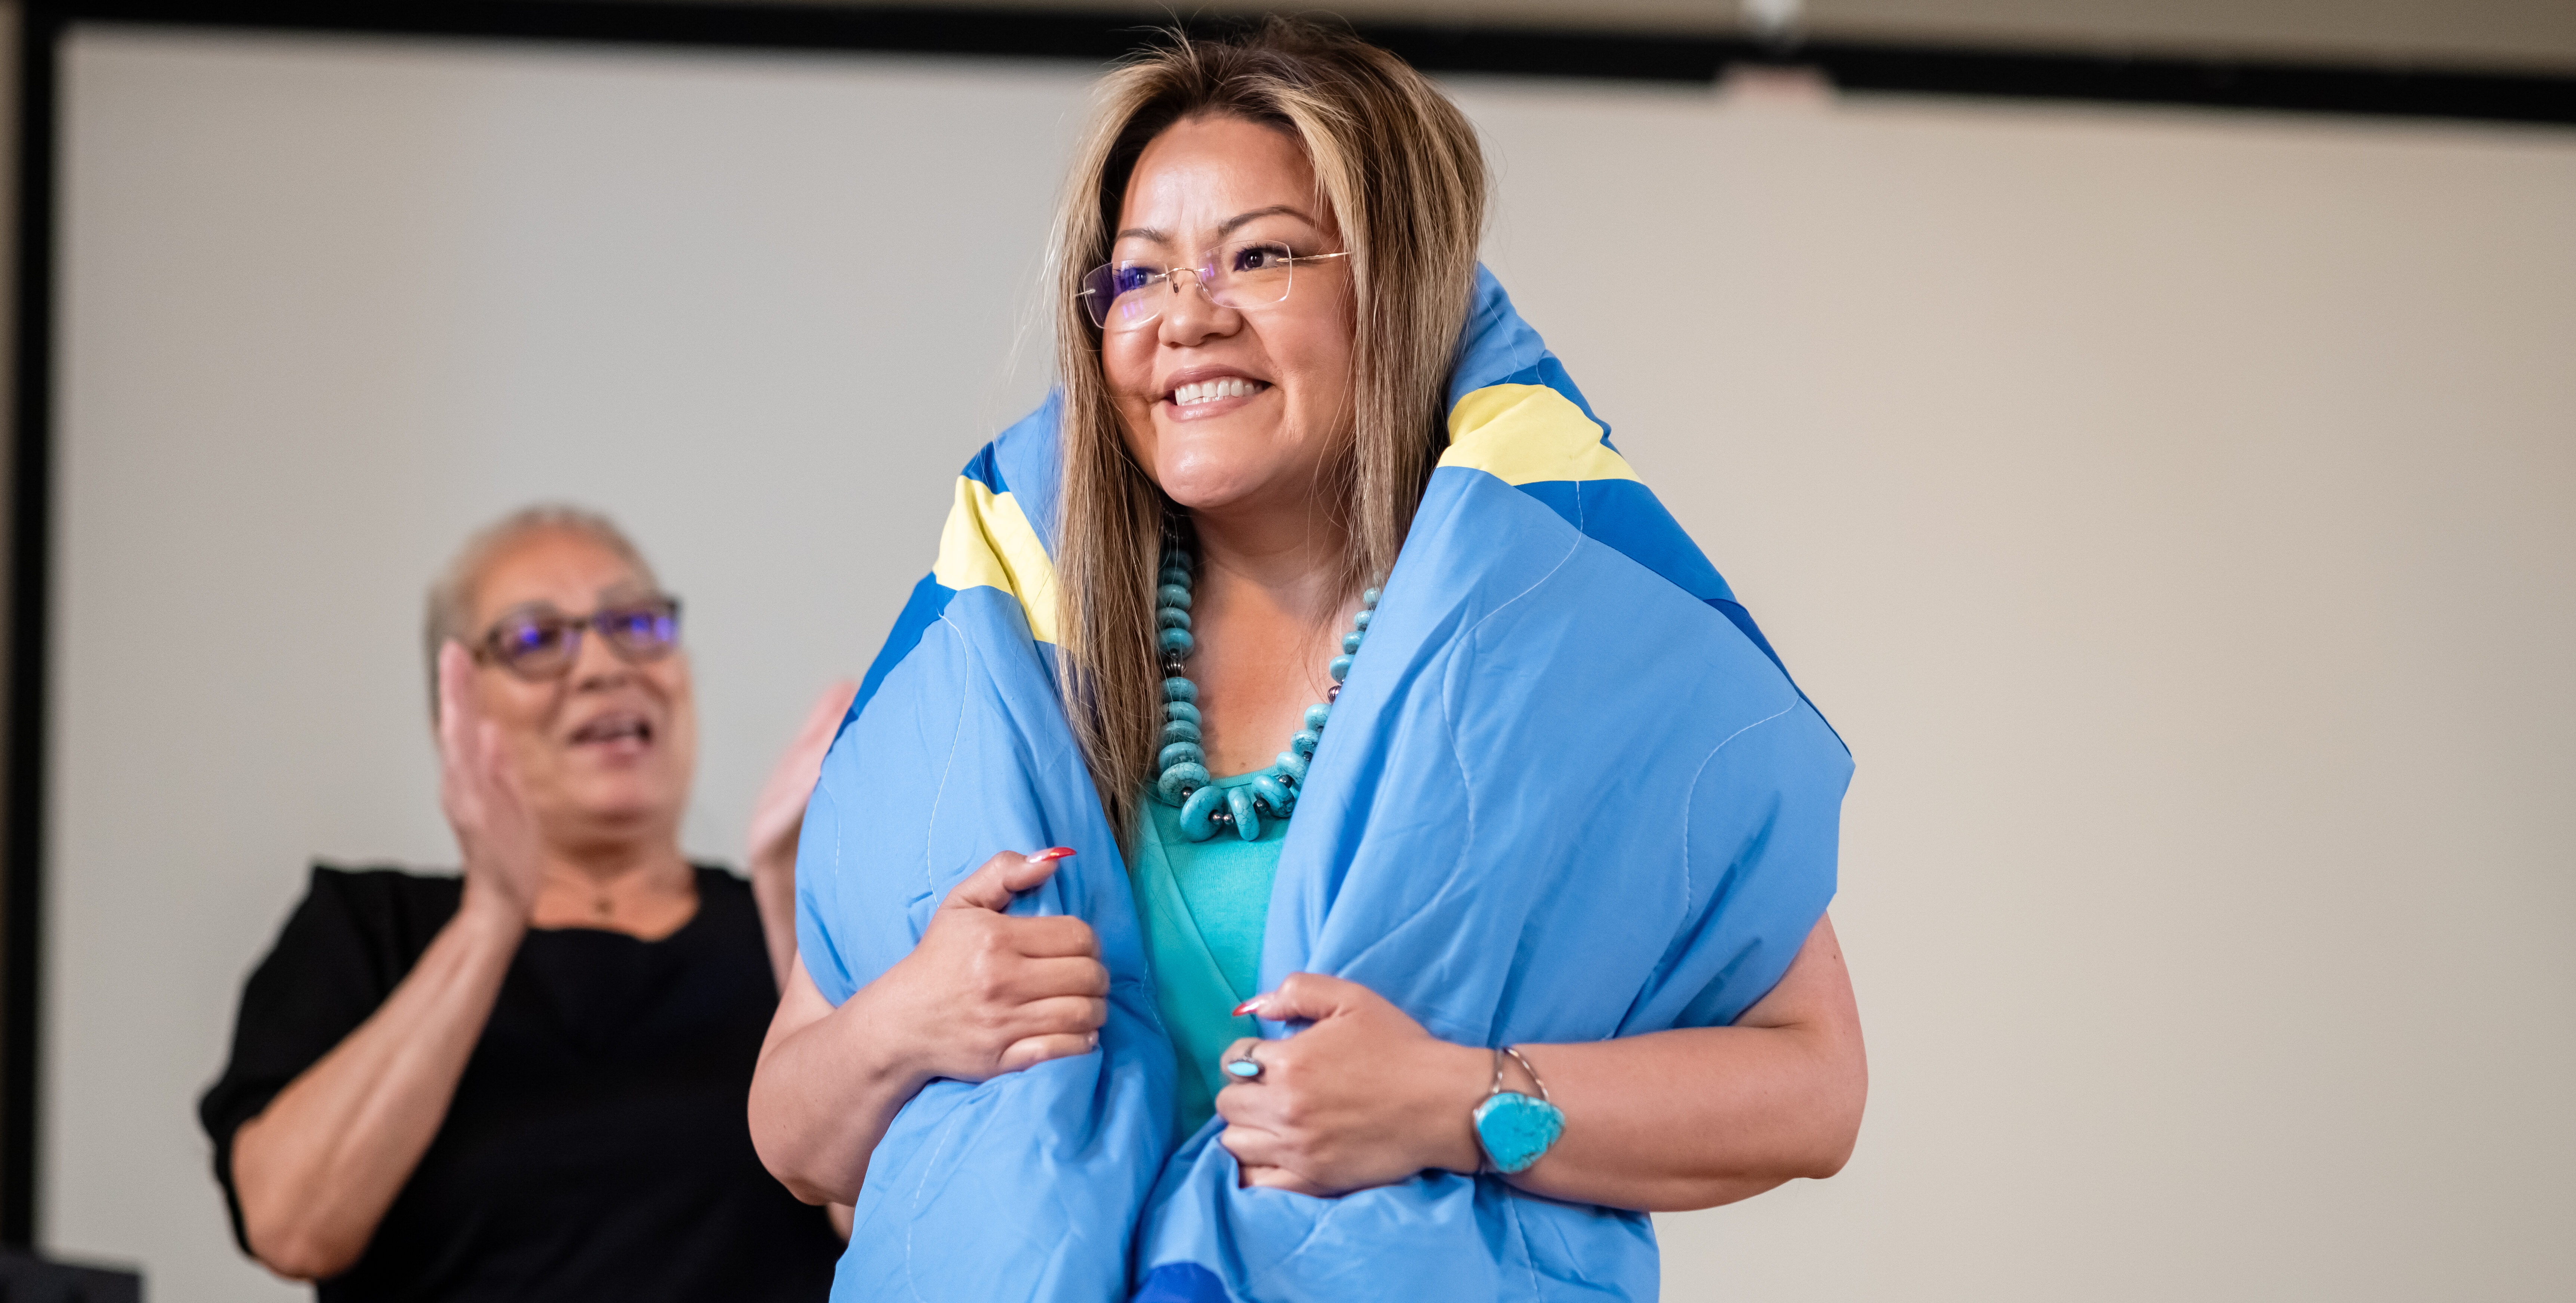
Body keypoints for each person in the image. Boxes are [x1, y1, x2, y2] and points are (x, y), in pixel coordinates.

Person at [747, 19, 1865, 1303]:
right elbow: (793, 1129)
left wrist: (1454, 1101)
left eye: (1260, 256)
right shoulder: (1011, 672)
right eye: (1140, 275)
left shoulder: (1549, 663)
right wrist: (912, 1018)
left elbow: (1812, 1086)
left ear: (1396, 290)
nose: (1186, 320)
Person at [199, 505, 848, 1301]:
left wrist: (791, 901)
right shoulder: (372, 928)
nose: (606, 666)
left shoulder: (794, 930)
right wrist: (492, 915)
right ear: (457, 716)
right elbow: (293, 1227)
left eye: (636, 623)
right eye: (536, 641)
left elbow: (889, 1221)